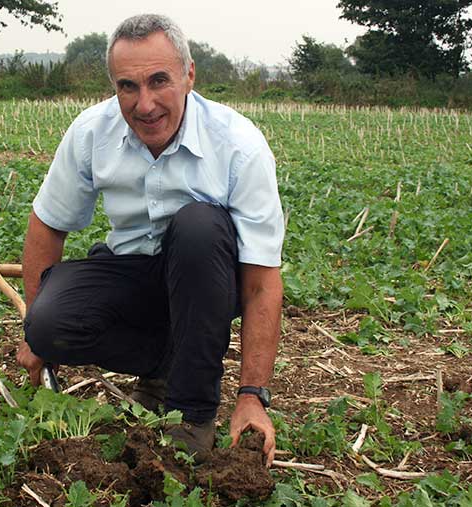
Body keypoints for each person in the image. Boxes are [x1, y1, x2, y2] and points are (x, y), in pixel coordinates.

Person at [16, 13, 284, 466]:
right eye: (127, 86)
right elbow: (47, 224)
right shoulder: (91, 132)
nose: (145, 105)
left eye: (159, 81)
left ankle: (193, 413)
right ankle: (164, 368)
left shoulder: (238, 145)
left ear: (189, 75)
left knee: (199, 225)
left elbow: (260, 283)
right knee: (47, 325)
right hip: (131, 271)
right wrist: (35, 336)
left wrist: (252, 394)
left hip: (209, 281)